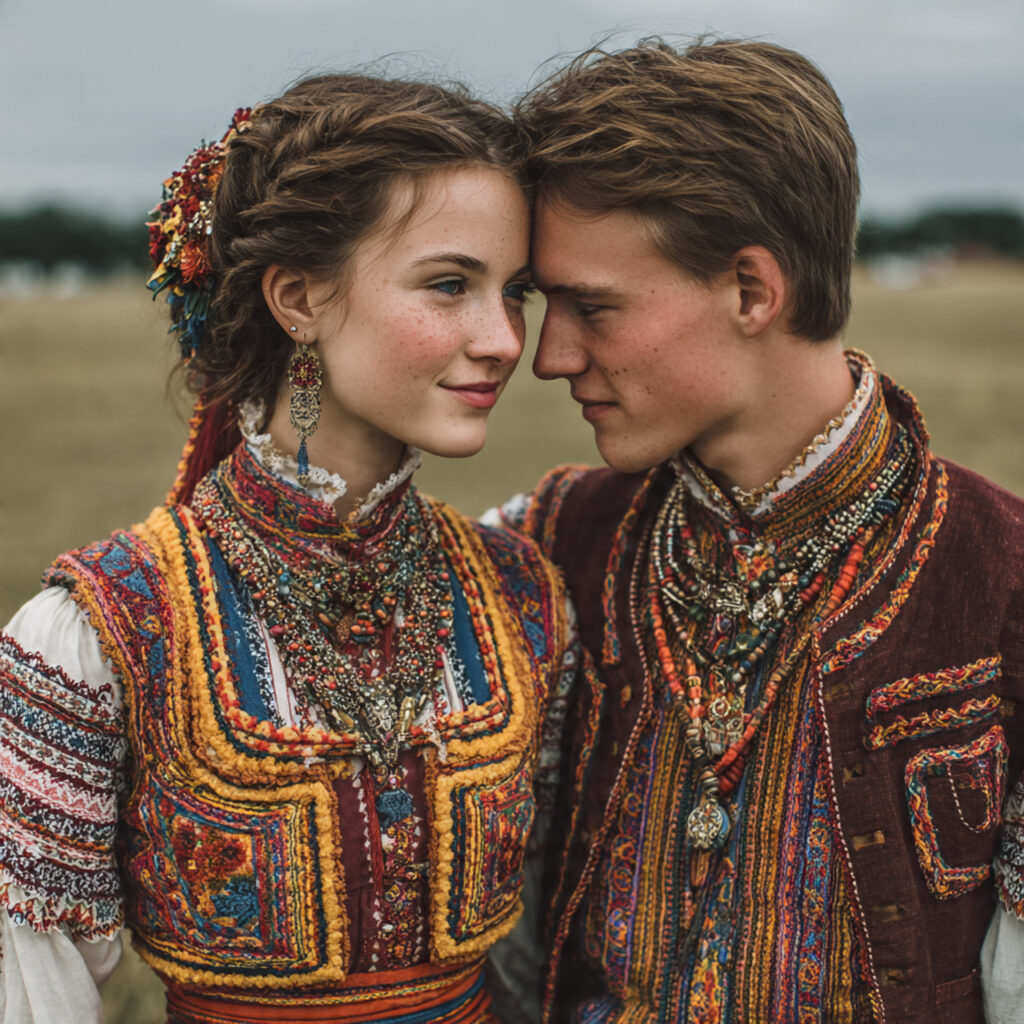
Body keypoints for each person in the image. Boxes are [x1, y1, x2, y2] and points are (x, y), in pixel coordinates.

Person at [0, 74, 575, 1024]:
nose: (505, 338)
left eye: (514, 292)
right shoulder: (100, 629)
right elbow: (35, 984)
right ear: (299, 299)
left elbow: (536, 953)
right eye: (449, 284)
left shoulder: (522, 593)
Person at [490, 38, 1024, 1023]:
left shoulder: (1000, 579)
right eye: (542, 303)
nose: (550, 355)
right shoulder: (545, 544)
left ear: (749, 290)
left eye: (591, 306)